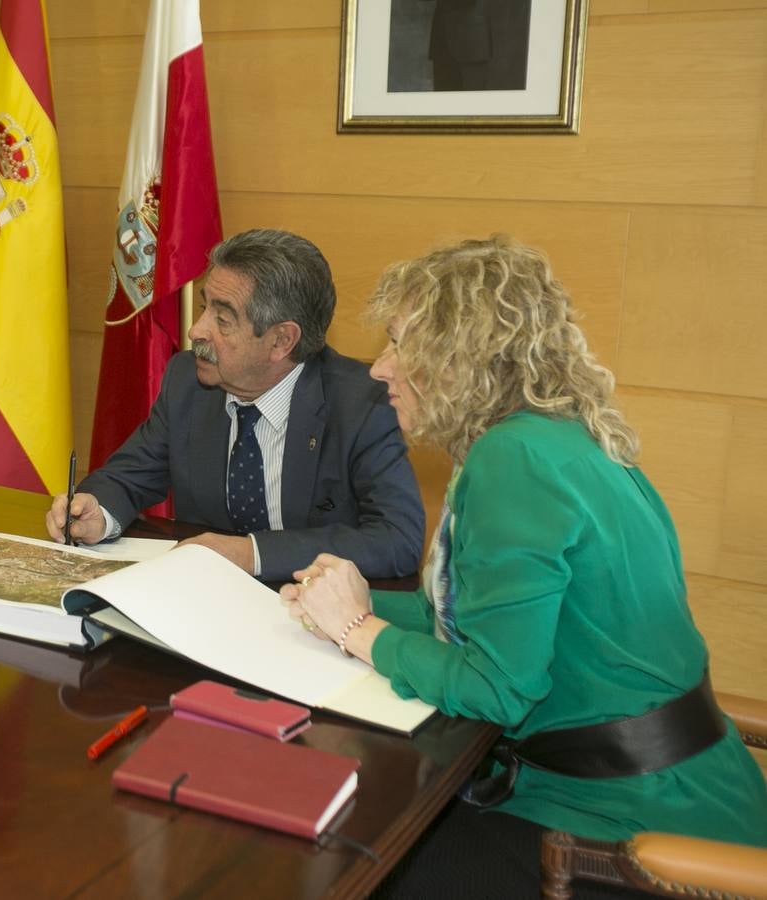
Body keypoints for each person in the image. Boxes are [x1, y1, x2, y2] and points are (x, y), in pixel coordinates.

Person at [282, 236, 767, 895]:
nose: (380, 368)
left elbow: (498, 687)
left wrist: (355, 633)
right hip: (667, 793)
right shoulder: (552, 435)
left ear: (460, 359)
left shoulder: (511, 462)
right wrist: (341, 606)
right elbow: (463, 620)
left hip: (636, 833)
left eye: (400, 343)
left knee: (358, 862)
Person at [47, 229, 424, 582]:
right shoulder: (188, 381)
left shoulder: (361, 403)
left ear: (281, 341)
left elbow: (397, 538)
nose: (197, 331)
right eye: (204, 308)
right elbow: (128, 477)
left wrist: (252, 554)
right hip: (204, 607)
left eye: (222, 319)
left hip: (312, 616)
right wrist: (98, 510)